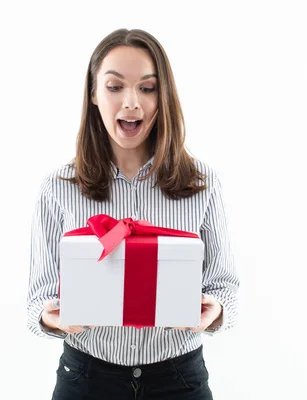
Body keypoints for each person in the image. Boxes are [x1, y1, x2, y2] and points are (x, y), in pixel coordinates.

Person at [27, 28, 240, 400]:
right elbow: (38, 298)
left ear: (164, 96)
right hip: (87, 377)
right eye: (114, 87)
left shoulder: (203, 183)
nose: (131, 103)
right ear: (93, 94)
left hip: (179, 377)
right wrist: (51, 316)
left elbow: (224, 286)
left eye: (147, 87)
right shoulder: (58, 186)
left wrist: (214, 309)